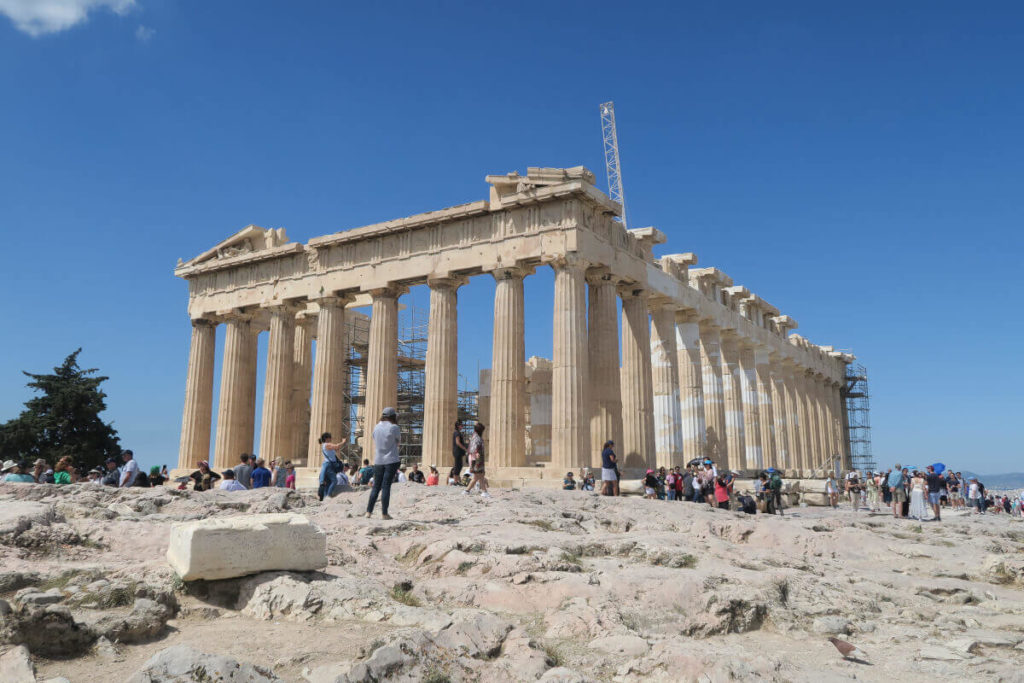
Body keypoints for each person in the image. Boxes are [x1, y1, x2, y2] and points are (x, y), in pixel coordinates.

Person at [366, 407, 402, 518]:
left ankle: (368, 512)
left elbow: (374, 439)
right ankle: (384, 513)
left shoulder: (376, 427)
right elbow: (398, 442)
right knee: (386, 487)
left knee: (376, 487)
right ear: (393, 416)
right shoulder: (394, 427)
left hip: (378, 460)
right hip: (391, 460)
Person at [463, 422, 490, 498]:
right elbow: (473, 447)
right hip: (476, 459)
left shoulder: (475, 436)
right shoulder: (476, 437)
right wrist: (476, 452)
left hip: (477, 459)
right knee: (479, 475)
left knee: (478, 476)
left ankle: (467, 491)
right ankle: (484, 492)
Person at [317, 434, 346, 501]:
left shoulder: (327, 446)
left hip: (330, 465)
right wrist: (343, 442)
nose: (331, 439)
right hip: (328, 465)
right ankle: (328, 495)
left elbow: (335, 449)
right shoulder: (326, 445)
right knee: (334, 481)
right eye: (330, 438)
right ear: (327, 438)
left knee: (328, 482)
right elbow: (337, 446)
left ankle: (325, 497)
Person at [451, 420, 468, 486]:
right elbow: (458, 442)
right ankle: (455, 481)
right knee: (457, 465)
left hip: (458, 452)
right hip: (457, 451)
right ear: (458, 426)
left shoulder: (457, 432)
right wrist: (465, 448)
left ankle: (457, 480)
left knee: (459, 465)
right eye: (461, 425)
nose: (462, 426)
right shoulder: (457, 433)